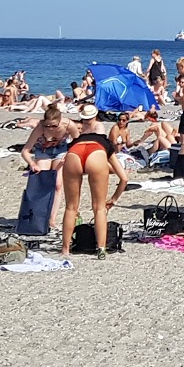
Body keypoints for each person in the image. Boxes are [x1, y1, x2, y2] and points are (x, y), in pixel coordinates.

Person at [59, 105, 129, 258]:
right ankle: (101, 248)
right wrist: (114, 199)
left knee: (71, 207)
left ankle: (65, 249)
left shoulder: (77, 138)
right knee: (99, 208)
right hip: (96, 152)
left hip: (75, 152)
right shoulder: (104, 141)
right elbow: (124, 178)